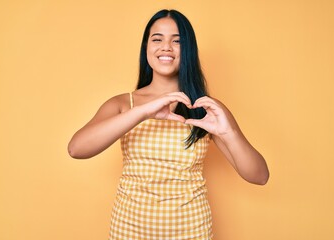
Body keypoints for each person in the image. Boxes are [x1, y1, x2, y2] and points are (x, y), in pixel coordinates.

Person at [68, 9, 269, 240]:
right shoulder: (124, 104)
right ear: (146, 48)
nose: (166, 47)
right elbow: (76, 149)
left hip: (192, 231)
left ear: (189, 51)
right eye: (157, 39)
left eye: (177, 41)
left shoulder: (207, 109)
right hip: (128, 231)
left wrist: (229, 133)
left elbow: (259, 176)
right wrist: (143, 112)